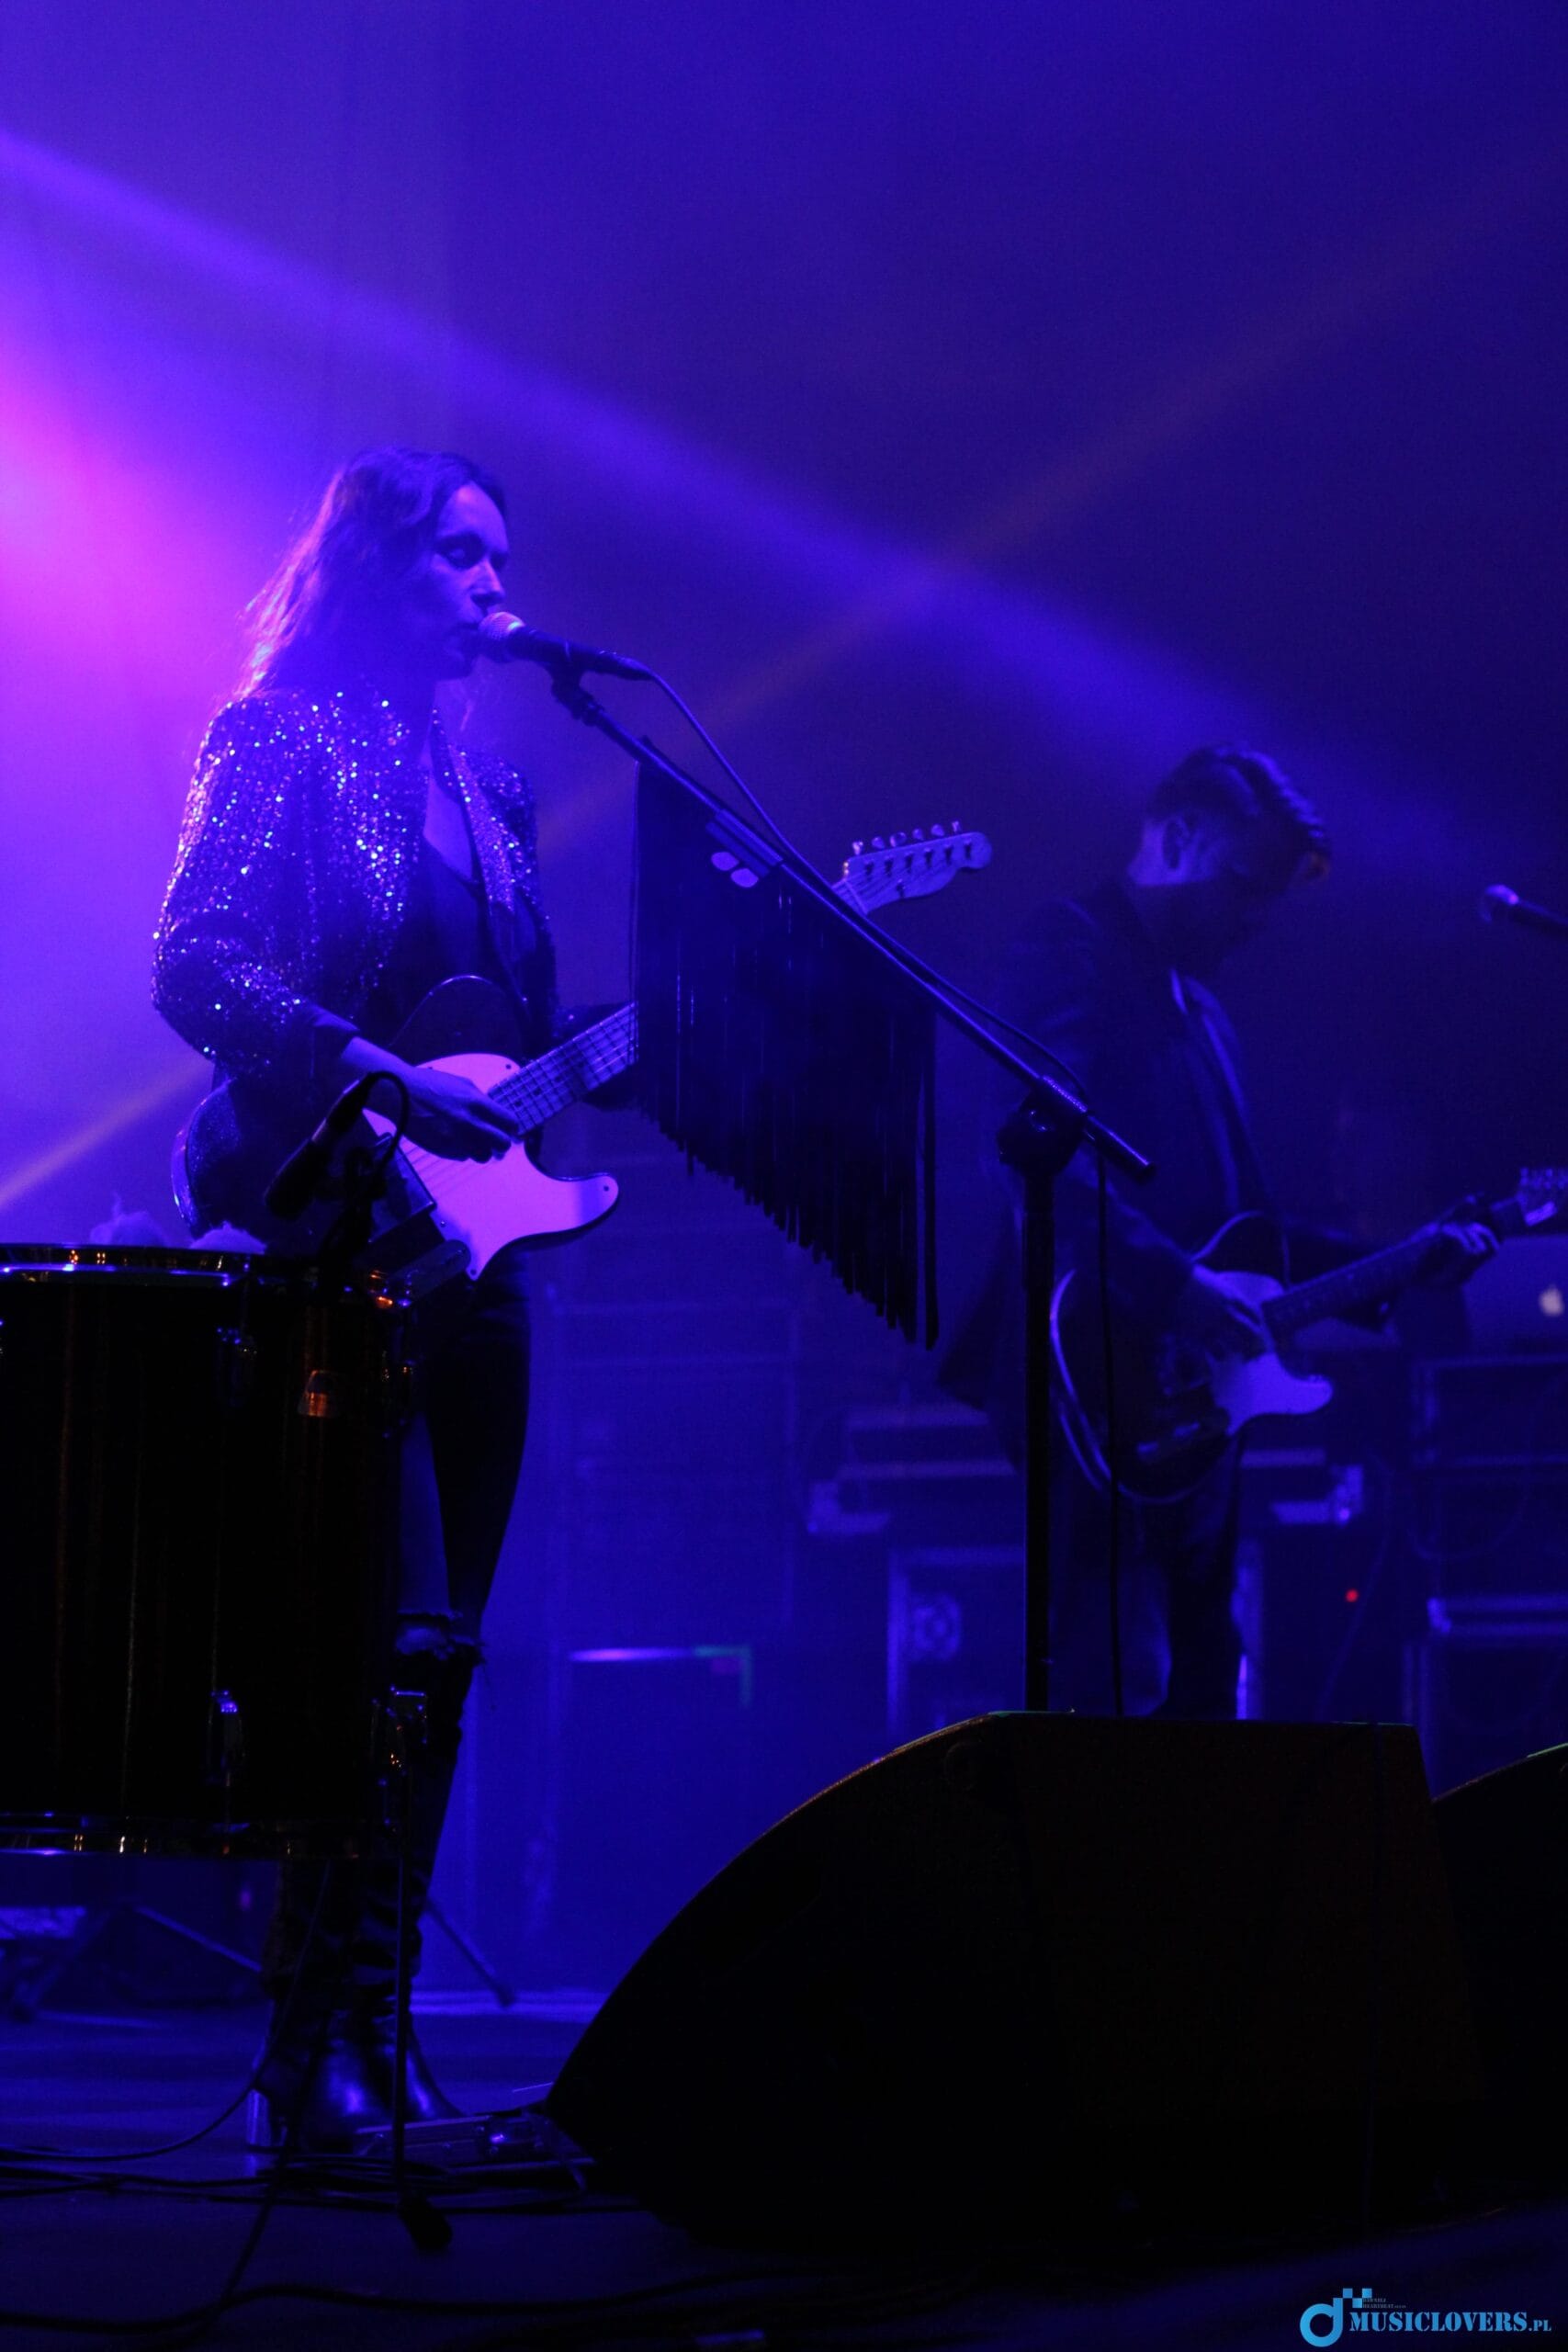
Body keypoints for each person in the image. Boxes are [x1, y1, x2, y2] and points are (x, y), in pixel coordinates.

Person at [153, 446, 561, 2148]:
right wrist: (369, 1071)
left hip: (476, 1261)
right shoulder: (279, 740)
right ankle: (310, 2044)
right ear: (376, 568)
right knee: (377, 1639)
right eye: (462, 556)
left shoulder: (492, 792)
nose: (494, 586)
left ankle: (362, 2035)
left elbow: (518, 1045)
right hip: (335, 1240)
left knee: (443, 1657)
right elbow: (195, 963)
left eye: (499, 559)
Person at [942, 744, 1494, 1719]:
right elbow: (1031, 1152)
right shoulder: (1071, 948)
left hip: (1194, 1412)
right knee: (1111, 1681)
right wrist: (1175, 1289)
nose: (1255, 917)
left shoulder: (1203, 1013)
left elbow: (1252, 1238)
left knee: (1202, 1681)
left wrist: (1404, 1263)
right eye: (1245, 883)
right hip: (1092, 1383)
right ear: (1178, 838)